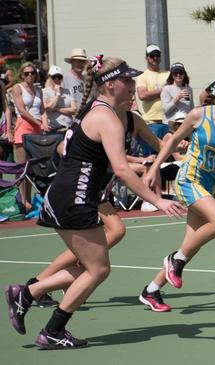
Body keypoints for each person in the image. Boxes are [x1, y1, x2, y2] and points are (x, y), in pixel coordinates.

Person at [3, 56, 184, 350]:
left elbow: (67, 148)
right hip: (73, 198)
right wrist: (157, 200)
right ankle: (45, 322)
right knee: (97, 270)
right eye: (127, 80)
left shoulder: (103, 112)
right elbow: (123, 169)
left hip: (75, 196)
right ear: (110, 83)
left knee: (94, 266)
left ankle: (28, 295)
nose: (132, 85)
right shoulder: (107, 119)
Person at [138, 70, 215, 311]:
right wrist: (153, 169)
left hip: (209, 184)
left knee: (191, 244)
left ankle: (151, 290)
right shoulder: (199, 115)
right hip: (189, 179)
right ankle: (173, 260)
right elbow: (170, 142)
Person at [12, 62, 46, 210]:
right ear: (21, 75)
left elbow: (43, 109)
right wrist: (39, 123)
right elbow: (22, 110)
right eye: (26, 73)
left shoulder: (39, 89)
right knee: (21, 167)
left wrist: (44, 123)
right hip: (24, 127)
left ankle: (29, 201)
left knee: (33, 167)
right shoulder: (17, 88)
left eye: (32, 72)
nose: (29, 75)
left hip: (38, 129)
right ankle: (22, 201)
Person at [135, 44, 170, 155]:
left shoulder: (168, 74)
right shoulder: (142, 76)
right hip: (151, 122)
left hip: (168, 121)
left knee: (169, 153)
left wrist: (154, 93)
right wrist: (163, 91)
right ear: (146, 58)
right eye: (152, 55)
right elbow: (142, 95)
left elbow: (175, 93)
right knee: (150, 156)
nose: (155, 58)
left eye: (157, 55)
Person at [43, 65, 76, 133]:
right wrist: (57, 94)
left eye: (59, 77)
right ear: (49, 77)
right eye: (54, 77)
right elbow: (48, 108)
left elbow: (74, 110)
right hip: (54, 128)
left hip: (69, 127)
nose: (56, 79)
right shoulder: (45, 91)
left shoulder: (68, 91)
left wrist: (56, 109)